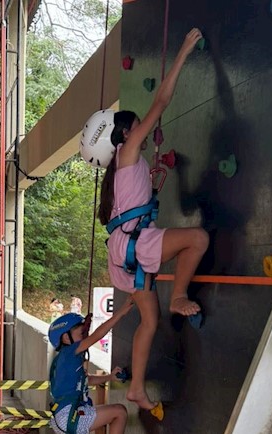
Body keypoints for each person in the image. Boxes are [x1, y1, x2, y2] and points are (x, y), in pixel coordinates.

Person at [79, 28, 209, 413]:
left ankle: (136, 388)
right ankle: (180, 294)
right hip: (134, 245)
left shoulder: (121, 169)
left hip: (124, 251)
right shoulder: (129, 148)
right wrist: (183, 49)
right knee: (198, 239)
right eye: (136, 125)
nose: (142, 129)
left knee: (148, 322)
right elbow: (162, 101)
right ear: (124, 133)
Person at [47, 297, 136, 434]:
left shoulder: (65, 360)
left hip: (66, 415)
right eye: (81, 333)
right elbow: (97, 335)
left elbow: (86, 380)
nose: (85, 336)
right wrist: (121, 312)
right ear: (66, 337)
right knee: (119, 412)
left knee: (118, 412)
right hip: (70, 415)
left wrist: (109, 377)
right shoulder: (70, 352)